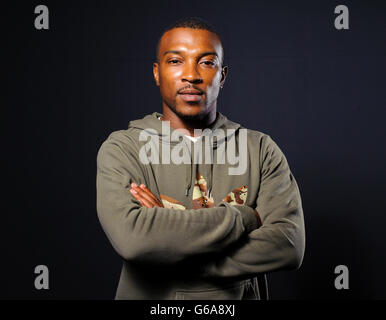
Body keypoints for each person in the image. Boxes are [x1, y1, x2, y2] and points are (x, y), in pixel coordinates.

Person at [96, 17, 305, 300]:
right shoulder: (124, 148)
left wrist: (168, 242)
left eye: (206, 62)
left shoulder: (260, 149)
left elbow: (287, 246)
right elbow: (135, 241)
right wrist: (242, 219)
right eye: (175, 61)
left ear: (222, 75)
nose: (191, 75)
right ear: (157, 73)